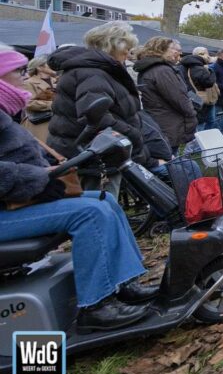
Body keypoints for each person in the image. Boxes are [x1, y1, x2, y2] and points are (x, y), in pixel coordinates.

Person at [0, 47, 155, 331]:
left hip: (17, 201)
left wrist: (51, 168)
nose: (23, 75)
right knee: (89, 214)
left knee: (105, 200)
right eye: (17, 71)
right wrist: (39, 177)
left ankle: (124, 282)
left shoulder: (7, 111)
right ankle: (96, 305)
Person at [47, 25, 153, 195]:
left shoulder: (96, 70)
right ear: (111, 46)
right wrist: (132, 134)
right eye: (126, 48)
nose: (128, 53)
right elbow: (96, 117)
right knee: (102, 202)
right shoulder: (92, 73)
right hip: (96, 156)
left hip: (95, 152)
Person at [134, 37, 197, 150]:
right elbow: (179, 99)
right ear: (161, 49)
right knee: (170, 156)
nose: (179, 53)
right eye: (175, 49)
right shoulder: (162, 71)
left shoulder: (151, 68)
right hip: (168, 124)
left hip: (161, 122)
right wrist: (192, 113)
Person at [20, 55, 58, 143]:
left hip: (57, 122)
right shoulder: (28, 83)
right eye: (49, 64)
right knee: (42, 148)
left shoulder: (58, 81)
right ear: (39, 67)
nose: (53, 65)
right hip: (39, 123)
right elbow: (28, 103)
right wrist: (54, 105)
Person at [181, 47, 217, 132]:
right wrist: (211, 71)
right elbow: (208, 82)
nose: (208, 56)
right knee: (204, 122)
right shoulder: (197, 67)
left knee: (207, 121)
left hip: (199, 97)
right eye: (207, 54)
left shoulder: (190, 65)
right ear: (201, 54)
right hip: (202, 99)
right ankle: (203, 139)